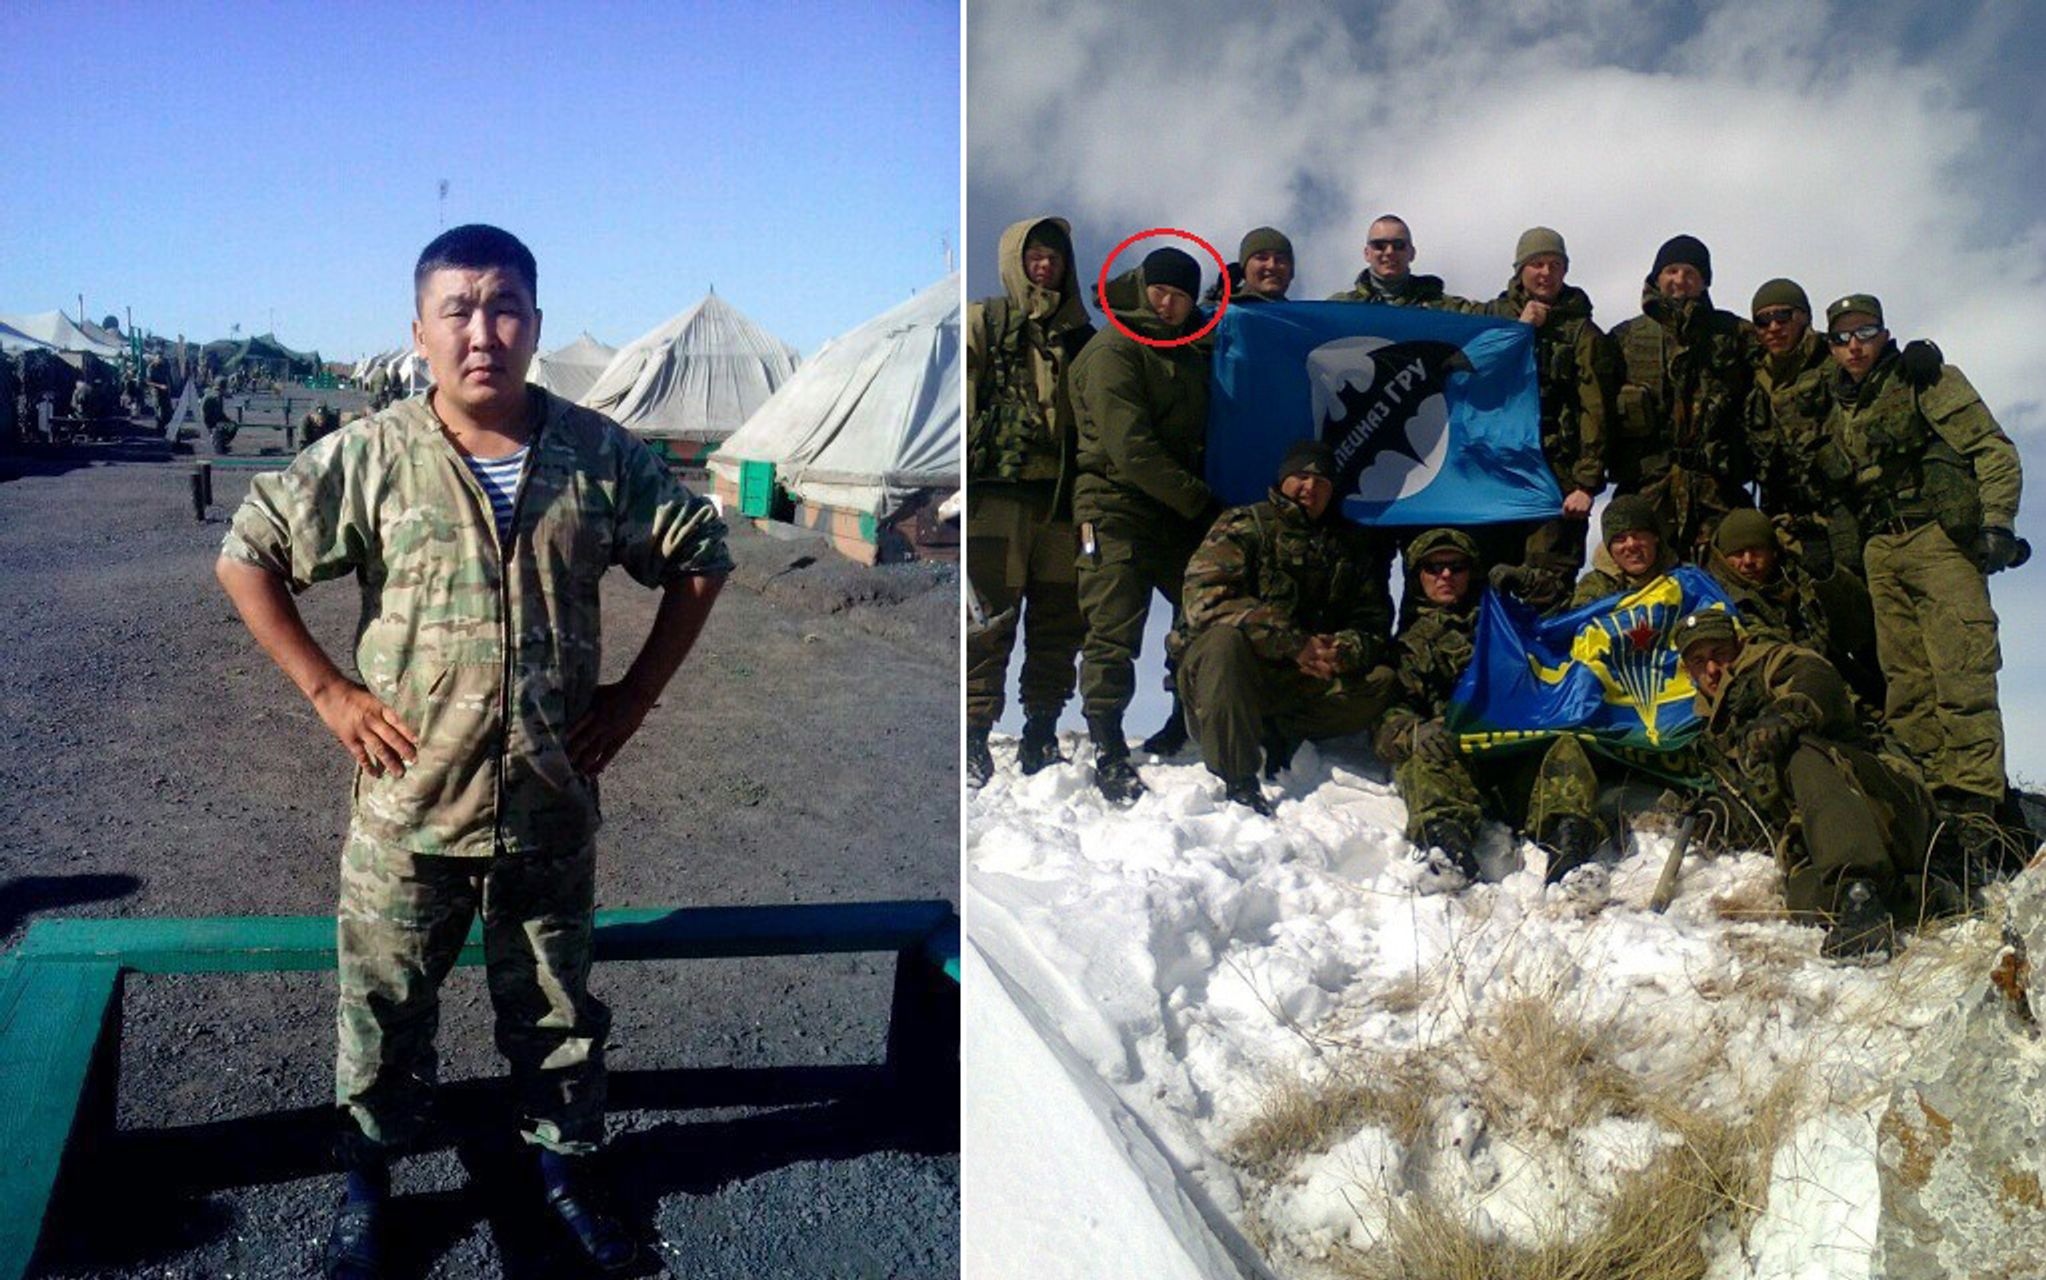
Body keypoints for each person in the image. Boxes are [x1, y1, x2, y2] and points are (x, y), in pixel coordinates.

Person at [216, 224, 729, 1279]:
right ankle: (369, 1190)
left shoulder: (598, 454)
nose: (481, 332)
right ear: (420, 331)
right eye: (458, 309)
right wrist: (329, 691)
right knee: (385, 1010)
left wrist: (633, 699)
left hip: (547, 802)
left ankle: (564, 1175)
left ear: (535, 326)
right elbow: (248, 552)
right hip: (410, 806)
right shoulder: (373, 454)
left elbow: (701, 555)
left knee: (557, 1013)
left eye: (504, 308)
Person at [1812, 292, 2023, 822]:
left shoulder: (1923, 378)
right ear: (1830, 347)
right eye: (1842, 337)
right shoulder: (1838, 406)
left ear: (1884, 333)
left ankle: (1975, 803)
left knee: (1963, 670)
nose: (1854, 346)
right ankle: (1927, 798)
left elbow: (1992, 450)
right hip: (1881, 549)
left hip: (1936, 540)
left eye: (1865, 332)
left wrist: (1997, 521)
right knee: (1906, 684)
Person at [1675, 609, 1945, 961]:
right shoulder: (1711, 730)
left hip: (1885, 804)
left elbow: (1817, 681)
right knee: (1801, 897)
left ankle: (1859, 894)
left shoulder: (1774, 661)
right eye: (1699, 661)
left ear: (1738, 646)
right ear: (1688, 670)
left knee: (1803, 750)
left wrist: (1787, 712)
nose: (1712, 669)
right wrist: (1722, 811)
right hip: (1830, 835)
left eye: (1719, 654)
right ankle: (1925, 894)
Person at [1173, 441, 1394, 814]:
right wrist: (1293, 643)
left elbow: (1372, 623)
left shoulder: (1347, 546)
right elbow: (1205, 602)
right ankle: (1239, 778)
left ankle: (1276, 733)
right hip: (1230, 678)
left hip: (1299, 682)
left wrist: (1338, 650)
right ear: (1283, 480)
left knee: (1382, 680)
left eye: (1322, 480)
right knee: (1223, 643)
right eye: (1301, 477)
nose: (1311, 488)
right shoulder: (1243, 524)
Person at [1069, 245, 1216, 804]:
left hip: (1168, 508)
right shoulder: (1116, 347)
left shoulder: (1183, 351)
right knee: (1112, 624)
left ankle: (1181, 720)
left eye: (1181, 295)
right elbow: (1131, 449)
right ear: (1142, 287)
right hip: (1111, 505)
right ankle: (1107, 744)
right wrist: (1200, 500)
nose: (1170, 304)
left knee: (1196, 608)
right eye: (1161, 291)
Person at [1375, 528, 1602, 882]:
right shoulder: (1408, 646)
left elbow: (1566, 613)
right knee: (1423, 760)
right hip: (1460, 759)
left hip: (1517, 750)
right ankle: (1448, 851)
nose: (1445, 576)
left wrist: (1525, 581)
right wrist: (1414, 732)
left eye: (1456, 567)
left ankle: (1570, 853)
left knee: (1566, 748)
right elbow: (1388, 718)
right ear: (1418, 577)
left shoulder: (1508, 618)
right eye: (1433, 568)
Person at [965, 216, 1095, 785]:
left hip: (1064, 502)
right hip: (996, 500)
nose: (1045, 267)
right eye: (1035, 256)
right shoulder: (985, 322)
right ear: (1016, 260)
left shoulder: (1082, 338)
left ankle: (1041, 727)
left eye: (1055, 258)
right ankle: (972, 733)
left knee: (1060, 620)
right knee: (987, 621)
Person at [1469, 227, 1621, 611]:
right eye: (1537, 264)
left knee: (1548, 582)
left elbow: (1595, 410)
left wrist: (1586, 483)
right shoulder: (1489, 318)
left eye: (1555, 265)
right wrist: (1517, 331)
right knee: (1486, 578)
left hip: (1557, 477)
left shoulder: (1582, 332)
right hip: (1496, 474)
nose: (1546, 273)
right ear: (1520, 270)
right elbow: (1466, 376)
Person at [1607, 234, 1758, 557]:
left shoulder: (1733, 334)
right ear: (1656, 277)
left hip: (1716, 490)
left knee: (1728, 578)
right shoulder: (1625, 339)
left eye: (1691, 273)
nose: (1680, 280)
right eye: (1672, 271)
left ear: (1704, 282)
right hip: (1646, 489)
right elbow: (1590, 406)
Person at [1705, 507, 1884, 714]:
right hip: (1787, 705)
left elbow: (1858, 630)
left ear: (1772, 550)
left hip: (1849, 692)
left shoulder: (1797, 577)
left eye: (1757, 550)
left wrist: (1828, 579)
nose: (1748, 561)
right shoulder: (1720, 601)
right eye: (1737, 553)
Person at [1569, 493, 1678, 608]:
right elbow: (1582, 620)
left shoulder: (1684, 580)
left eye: (1638, 535)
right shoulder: (1595, 585)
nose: (1631, 545)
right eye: (1620, 539)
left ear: (1655, 538)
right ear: (1609, 549)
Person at [1328, 213, 1450, 306]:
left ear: (1412, 253)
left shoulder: (1449, 309)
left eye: (1398, 245)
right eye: (1379, 246)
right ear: (1367, 254)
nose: (1389, 252)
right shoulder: (1340, 308)